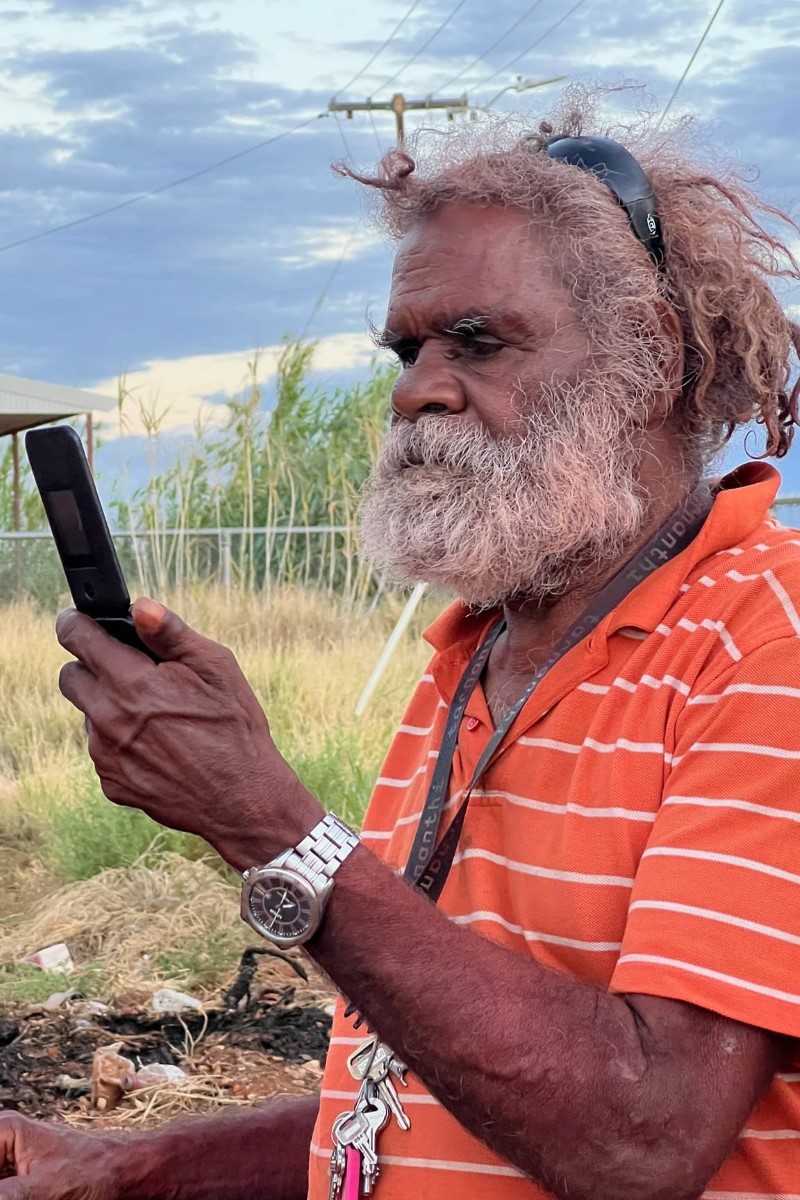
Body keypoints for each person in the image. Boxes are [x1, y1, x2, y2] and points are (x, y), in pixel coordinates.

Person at [2, 93, 800, 1200]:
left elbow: (637, 1140)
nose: (414, 389)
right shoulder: (470, 656)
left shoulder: (765, 643)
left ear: (651, 357)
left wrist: (269, 824)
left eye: (476, 340)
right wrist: (130, 1167)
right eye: (405, 347)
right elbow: (421, 1096)